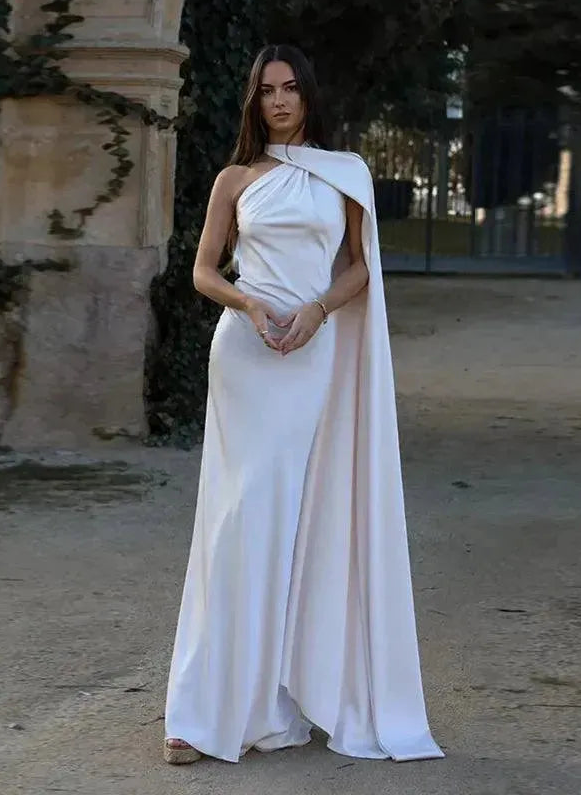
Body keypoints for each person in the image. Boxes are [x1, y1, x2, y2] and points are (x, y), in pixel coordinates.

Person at [163, 44, 443, 765]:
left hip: (309, 352)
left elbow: (359, 267)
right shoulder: (235, 177)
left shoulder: (344, 174)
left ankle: (279, 700)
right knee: (236, 514)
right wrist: (249, 302)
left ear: (308, 97)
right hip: (247, 353)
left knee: (293, 515)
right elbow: (201, 271)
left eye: (290, 89)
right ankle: (203, 713)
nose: (279, 101)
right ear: (253, 102)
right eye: (266, 91)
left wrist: (318, 311)